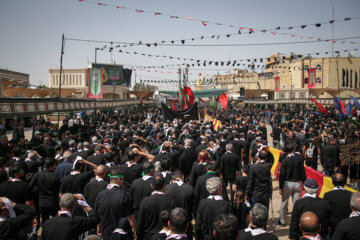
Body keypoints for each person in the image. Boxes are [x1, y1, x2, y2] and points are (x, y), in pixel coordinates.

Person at [94, 168, 136, 240]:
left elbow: (96, 215)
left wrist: (98, 227)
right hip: (121, 235)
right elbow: (130, 217)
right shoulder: (123, 195)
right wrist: (134, 231)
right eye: (122, 179)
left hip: (105, 233)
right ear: (119, 180)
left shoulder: (100, 194)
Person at [136, 175, 174, 240]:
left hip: (148, 236)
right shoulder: (170, 201)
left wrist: (139, 236)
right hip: (165, 236)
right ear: (164, 185)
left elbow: (140, 222)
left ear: (152, 186)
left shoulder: (145, 201)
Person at [279, 142, 306, 226]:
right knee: (297, 203)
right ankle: (297, 221)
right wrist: (303, 182)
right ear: (293, 150)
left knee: (284, 201)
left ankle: (282, 221)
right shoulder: (299, 159)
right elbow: (303, 172)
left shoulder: (285, 160)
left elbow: (282, 174)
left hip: (287, 183)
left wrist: (280, 186)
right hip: (297, 183)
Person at [29, 158, 60, 224]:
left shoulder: (37, 175)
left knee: (44, 222)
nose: (55, 167)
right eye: (55, 165)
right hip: (53, 203)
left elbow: (29, 187)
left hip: (42, 203)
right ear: (51, 166)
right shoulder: (55, 176)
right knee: (55, 222)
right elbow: (58, 190)